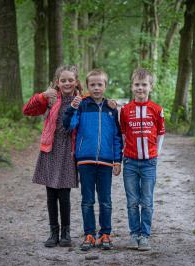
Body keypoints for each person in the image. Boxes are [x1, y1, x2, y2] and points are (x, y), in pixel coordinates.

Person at [22, 65, 83, 248]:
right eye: (63, 80)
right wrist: (42, 96)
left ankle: (66, 232)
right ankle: (53, 232)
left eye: (70, 80)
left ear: (76, 82)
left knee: (64, 194)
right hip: (50, 149)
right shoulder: (51, 98)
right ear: (57, 82)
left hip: (68, 151)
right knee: (51, 194)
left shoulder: (82, 100)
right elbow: (28, 110)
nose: (67, 83)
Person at [63, 69, 123, 251]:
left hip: (106, 162)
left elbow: (117, 136)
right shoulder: (82, 105)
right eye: (92, 85)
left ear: (105, 86)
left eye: (100, 84)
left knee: (105, 200)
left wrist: (117, 160)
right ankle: (89, 234)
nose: (96, 88)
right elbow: (69, 126)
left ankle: (106, 234)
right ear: (87, 87)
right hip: (85, 161)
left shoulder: (111, 109)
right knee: (87, 200)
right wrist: (71, 108)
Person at [119, 68, 165, 251]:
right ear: (132, 87)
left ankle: (144, 236)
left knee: (146, 201)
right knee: (132, 201)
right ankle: (133, 234)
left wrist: (156, 154)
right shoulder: (125, 110)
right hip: (130, 162)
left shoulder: (157, 110)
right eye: (137, 85)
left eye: (144, 85)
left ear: (150, 87)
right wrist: (124, 152)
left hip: (149, 163)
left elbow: (161, 133)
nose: (140, 88)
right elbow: (123, 133)